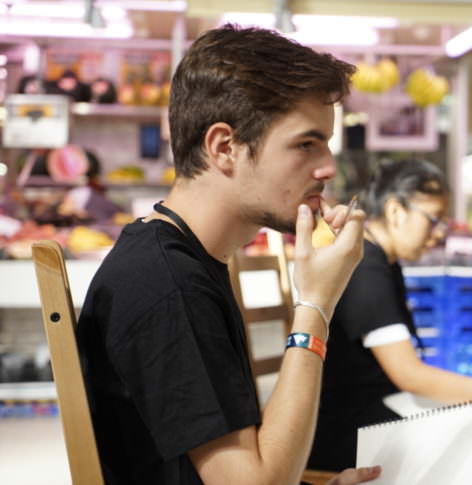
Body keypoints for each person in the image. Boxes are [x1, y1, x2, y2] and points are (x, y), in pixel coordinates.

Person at [76, 25, 381, 485]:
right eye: (306, 143)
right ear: (225, 148)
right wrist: (315, 305)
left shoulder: (184, 260)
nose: (328, 168)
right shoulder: (166, 282)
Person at [308, 160, 472, 472]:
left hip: (374, 420)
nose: (438, 234)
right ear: (395, 211)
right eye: (433, 220)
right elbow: (409, 374)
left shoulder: (382, 262)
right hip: (353, 437)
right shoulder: (366, 268)